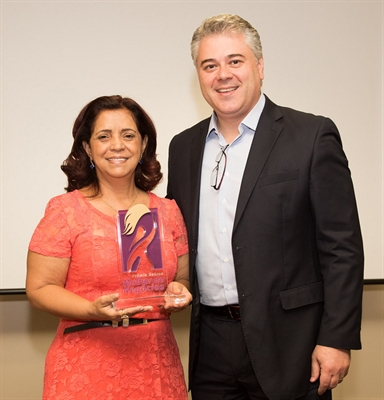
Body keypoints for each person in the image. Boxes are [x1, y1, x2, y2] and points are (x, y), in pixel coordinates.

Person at [167, 14, 364, 400]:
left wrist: (336, 338)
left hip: (292, 345)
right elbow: (180, 239)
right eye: (210, 65)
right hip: (209, 344)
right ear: (199, 75)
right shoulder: (183, 147)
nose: (222, 74)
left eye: (235, 61)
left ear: (259, 66)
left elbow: (342, 247)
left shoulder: (311, 135)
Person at [26, 95, 192, 400]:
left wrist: (178, 291)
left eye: (128, 135)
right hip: (86, 366)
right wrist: (89, 309)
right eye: (104, 136)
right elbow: (39, 288)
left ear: (143, 144)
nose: (117, 145)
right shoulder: (65, 211)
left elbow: (181, 279)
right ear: (88, 148)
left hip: (155, 365)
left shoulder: (167, 212)